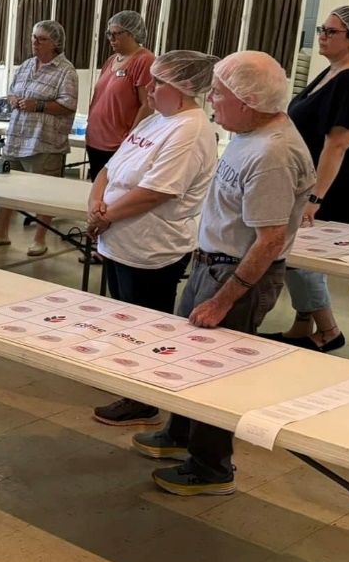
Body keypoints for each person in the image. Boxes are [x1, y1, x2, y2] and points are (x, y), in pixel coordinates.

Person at [132, 52, 314, 497]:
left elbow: (269, 241)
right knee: (185, 360)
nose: (210, 99)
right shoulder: (252, 132)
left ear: (248, 101)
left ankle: (211, 467)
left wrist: (223, 299)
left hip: (235, 276)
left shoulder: (272, 153)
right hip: (211, 264)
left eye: (218, 93)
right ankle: (180, 435)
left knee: (214, 374)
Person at [86, 51, 219, 427]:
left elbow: (156, 192)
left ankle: (144, 398)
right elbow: (109, 170)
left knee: (146, 326)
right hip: (118, 239)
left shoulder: (189, 129)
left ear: (182, 89)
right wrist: (96, 206)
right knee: (125, 318)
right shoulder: (155, 121)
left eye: (159, 82)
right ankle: (131, 382)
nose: (148, 87)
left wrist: (103, 217)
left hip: (151, 248)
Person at [262, 5, 349, 352]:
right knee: (297, 254)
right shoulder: (334, 70)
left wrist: (315, 198)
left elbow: (338, 143)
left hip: (334, 182)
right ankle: (303, 325)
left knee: (300, 255)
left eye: (331, 32)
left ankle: (328, 330)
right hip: (317, 177)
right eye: (322, 31)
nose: (323, 37)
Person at [0, 21, 79, 256]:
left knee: (45, 193)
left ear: (56, 44)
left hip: (43, 141)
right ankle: (1, 234)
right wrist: (13, 99)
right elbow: (13, 90)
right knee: (7, 189)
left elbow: (69, 105)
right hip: (16, 138)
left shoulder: (66, 71)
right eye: (33, 37)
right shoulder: (26, 65)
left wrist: (39, 105)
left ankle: (39, 239)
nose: (34, 42)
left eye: (41, 39)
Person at [86, 10, 155, 180]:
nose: (111, 38)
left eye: (116, 34)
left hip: (117, 144)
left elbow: (147, 105)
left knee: (109, 195)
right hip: (95, 140)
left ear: (132, 34)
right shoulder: (112, 60)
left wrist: (130, 138)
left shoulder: (144, 60)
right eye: (109, 33)